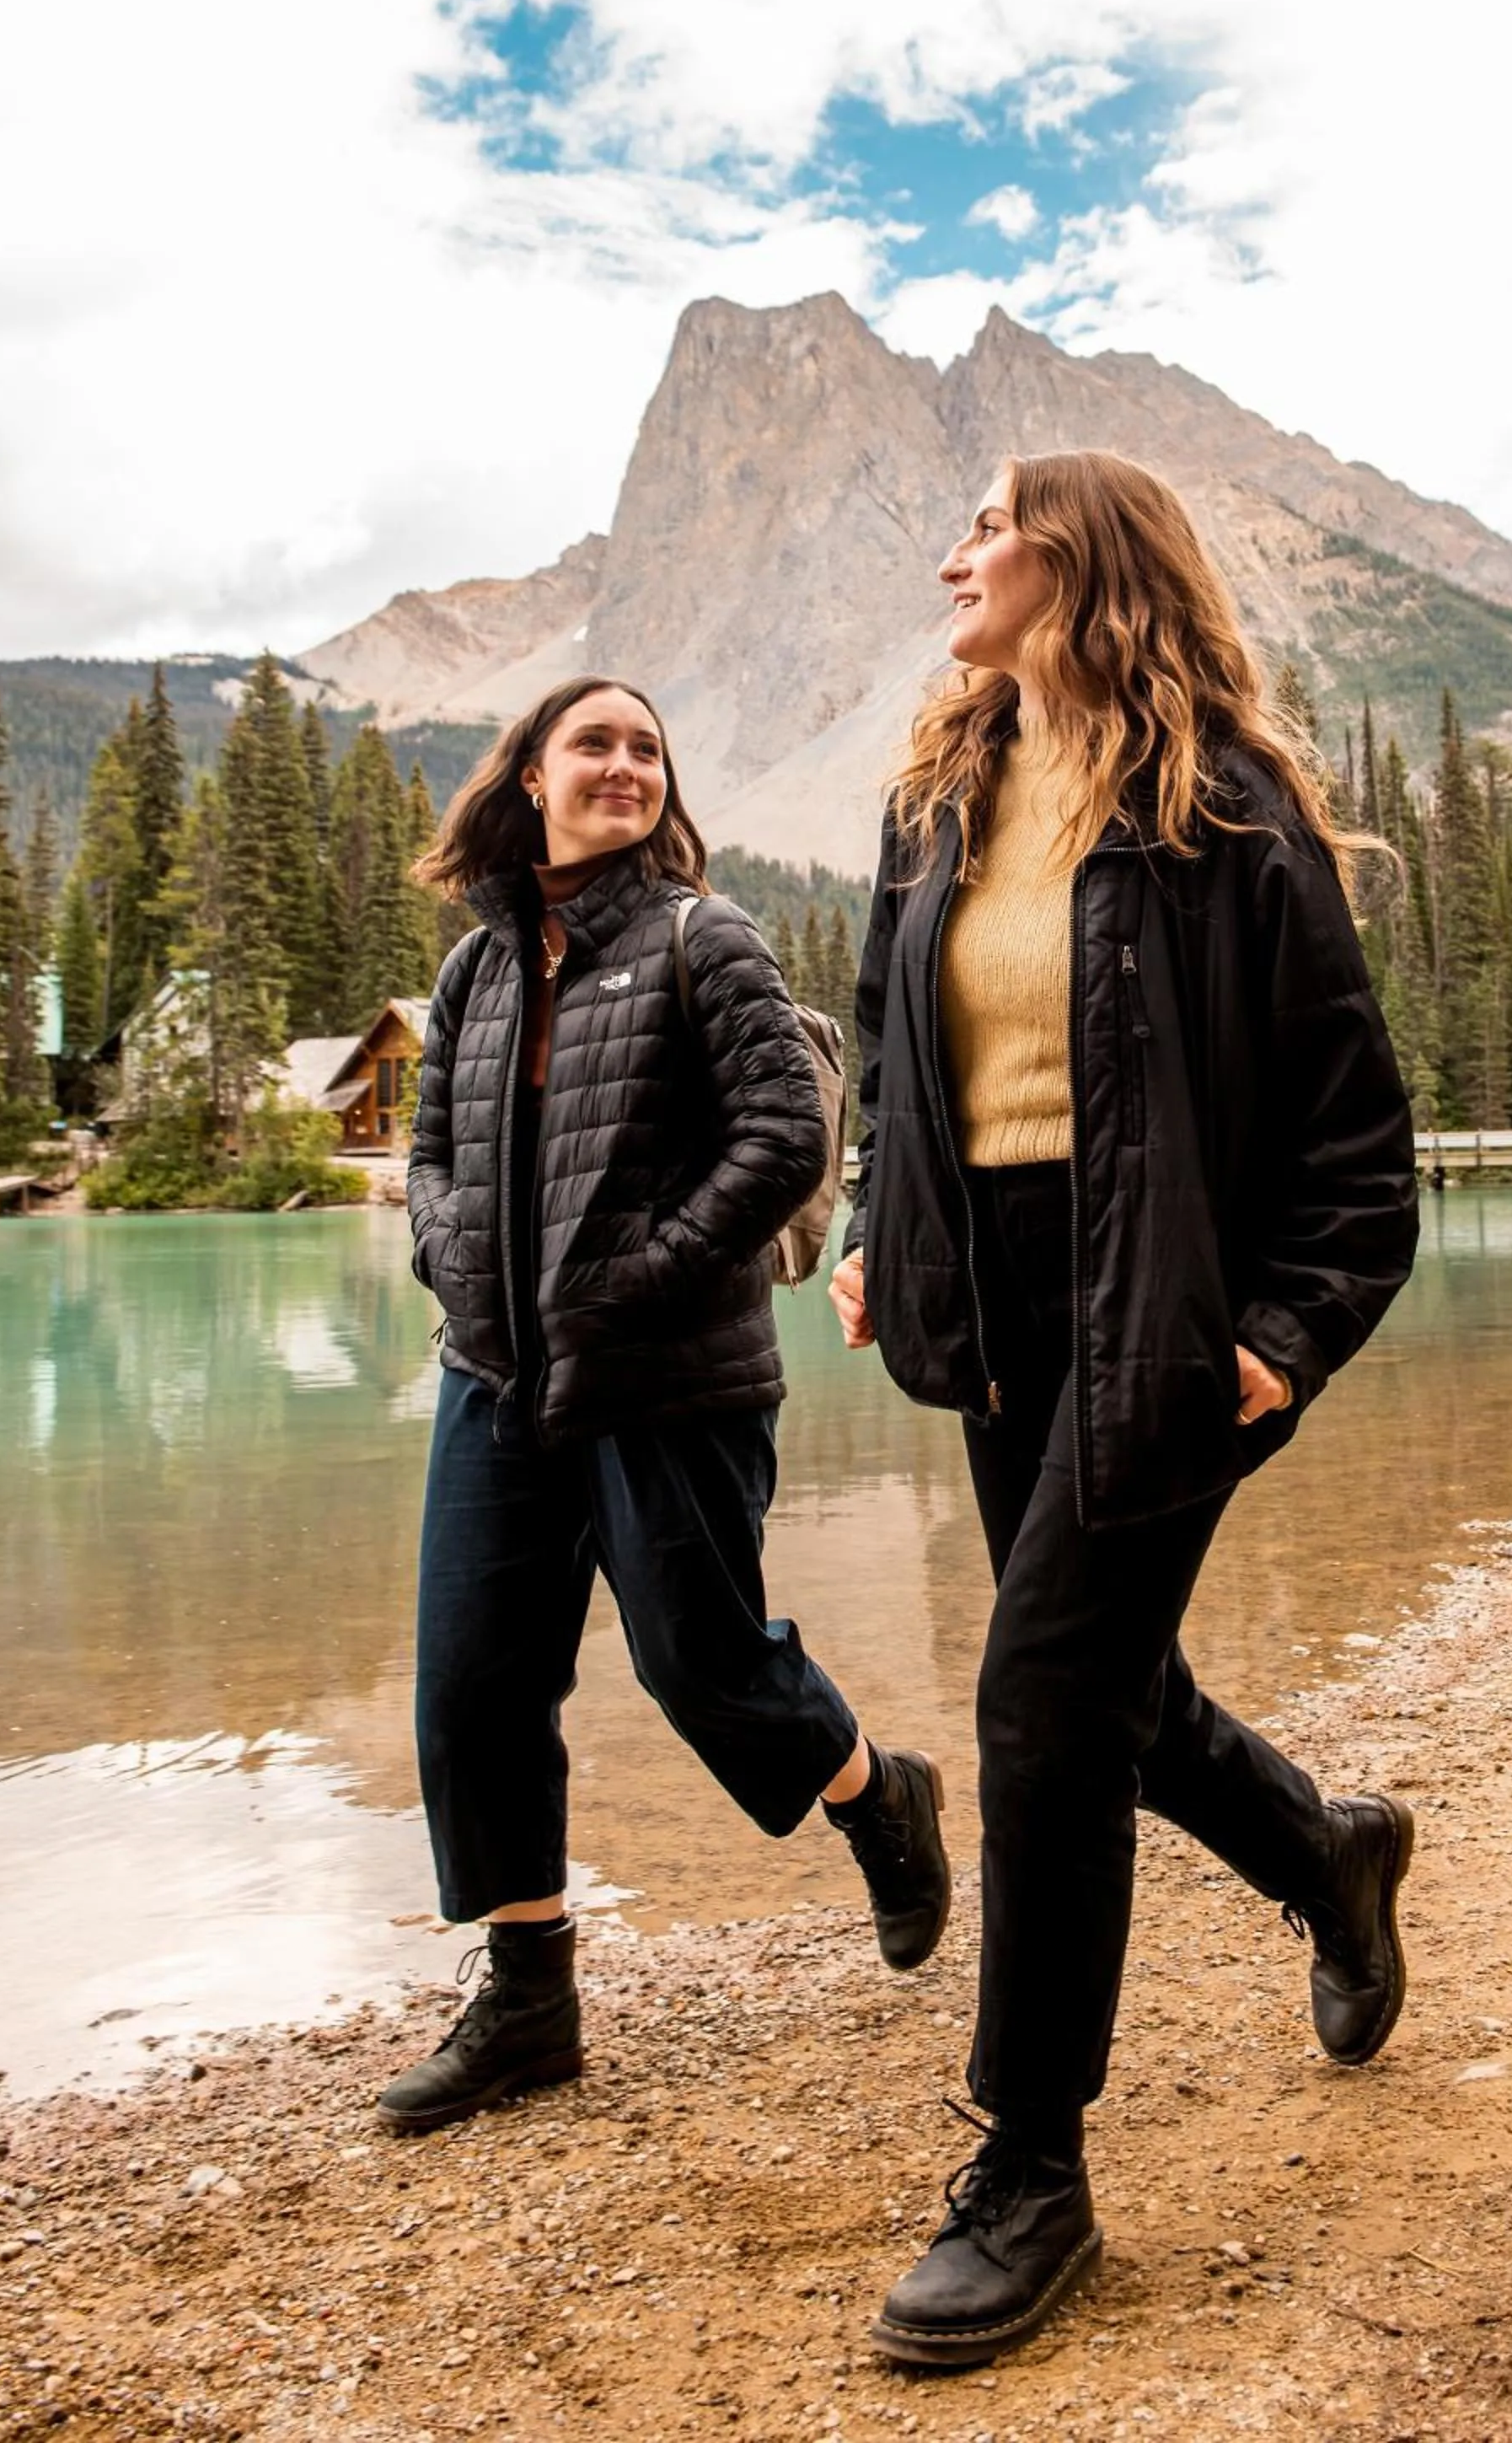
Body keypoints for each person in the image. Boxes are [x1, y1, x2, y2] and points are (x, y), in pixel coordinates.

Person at [828, 453, 1419, 2366]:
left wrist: (1280, 1333)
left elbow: (1353, 1138)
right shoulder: (938, 794)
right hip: (993, 1299)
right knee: (1107, 1691)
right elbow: (893, 1052)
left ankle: (1032, 2169)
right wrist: (875, 1226)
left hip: (1159, 1312)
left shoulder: (1219, 808)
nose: (950, 556)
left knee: (1031, 1703)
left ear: (1077, 556)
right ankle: (1327, 1857)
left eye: (982, 525)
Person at [379, 674, 950, 2134]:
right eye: (594, 744)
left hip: (671, 1375)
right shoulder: (472, 973)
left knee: (699, 1664)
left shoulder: (705, 939)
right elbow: (429, 1154)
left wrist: (649, 1267)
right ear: (529, 782)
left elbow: (777, 1139)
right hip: (494, 1379)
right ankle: (528, 1999)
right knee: (472, 1685)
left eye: (646, 748)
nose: (624, 765)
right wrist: (452, 1261)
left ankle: (876, 1793)